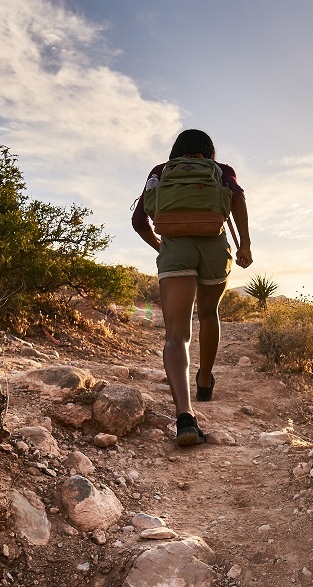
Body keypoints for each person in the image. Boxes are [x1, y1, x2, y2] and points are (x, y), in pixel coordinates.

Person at [132, 129, 252, 446]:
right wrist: (245, 246)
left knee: (176, 334)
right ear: (208, 151)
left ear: (177, 151)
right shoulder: (222, 171)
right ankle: (203, 379)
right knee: (209, 313)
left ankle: (185, 416)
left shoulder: (160, 172)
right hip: (215, 248)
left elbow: (138, 221)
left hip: (175, 249)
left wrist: (162, 247)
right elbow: (237, 199)